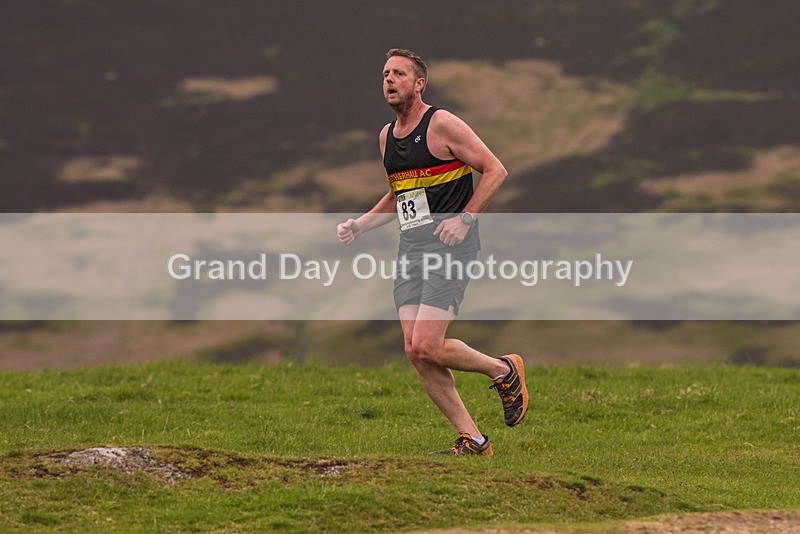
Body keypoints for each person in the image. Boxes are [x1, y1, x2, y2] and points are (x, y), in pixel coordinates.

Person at [337, 48, 528, 455]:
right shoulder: (387, 137)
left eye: (399, 74)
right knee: (415, 351)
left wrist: (466, 218)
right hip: (412, 250)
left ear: (419, 83)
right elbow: (397, 196)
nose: (389, 80)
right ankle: (473, 439)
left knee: (426, 344)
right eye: (386, 73)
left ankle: (503, 369)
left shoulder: (441, 124)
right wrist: (360, 224)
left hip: (450, 247)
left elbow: (495, 170)